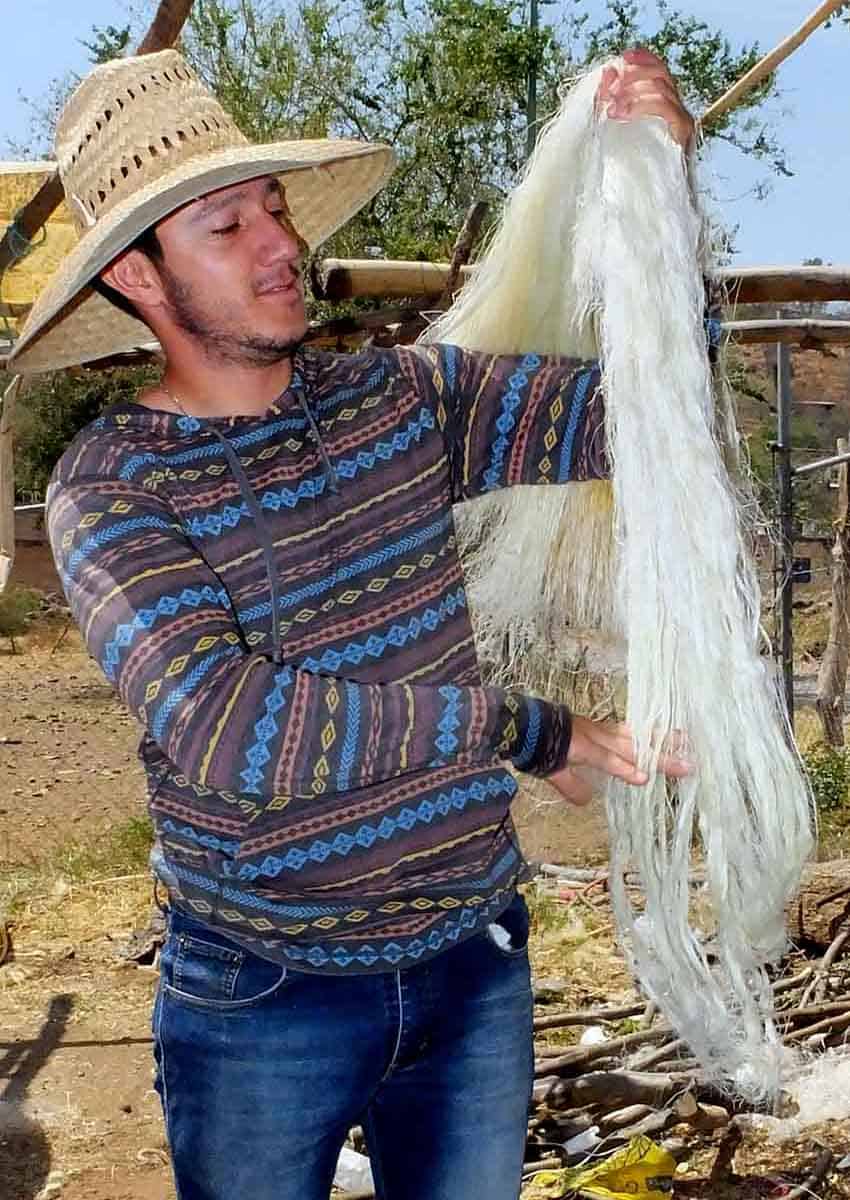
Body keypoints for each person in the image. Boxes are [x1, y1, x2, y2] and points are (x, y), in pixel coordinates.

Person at [11, 46, 694, 1200]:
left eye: (274, 208)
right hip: (260, 1002)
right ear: (135, 277)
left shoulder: (404, 400)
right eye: (226, 228)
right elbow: (232, 726)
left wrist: (661, 188)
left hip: (473, 971)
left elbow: (649, 407)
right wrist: (532, 731)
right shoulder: (111, 485)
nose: (282, 243)